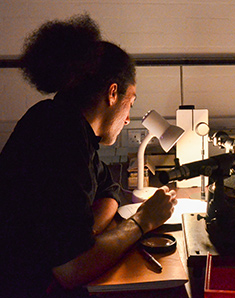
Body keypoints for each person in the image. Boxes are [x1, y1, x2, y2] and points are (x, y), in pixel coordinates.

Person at [0, 14, 177, 297]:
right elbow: (72, 270)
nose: (129, 117)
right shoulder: (59, 137)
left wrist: (87, 234)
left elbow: (109, 190)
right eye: (130, 102)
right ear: (112, 93)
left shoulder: (69, 126)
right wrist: (144, 220)